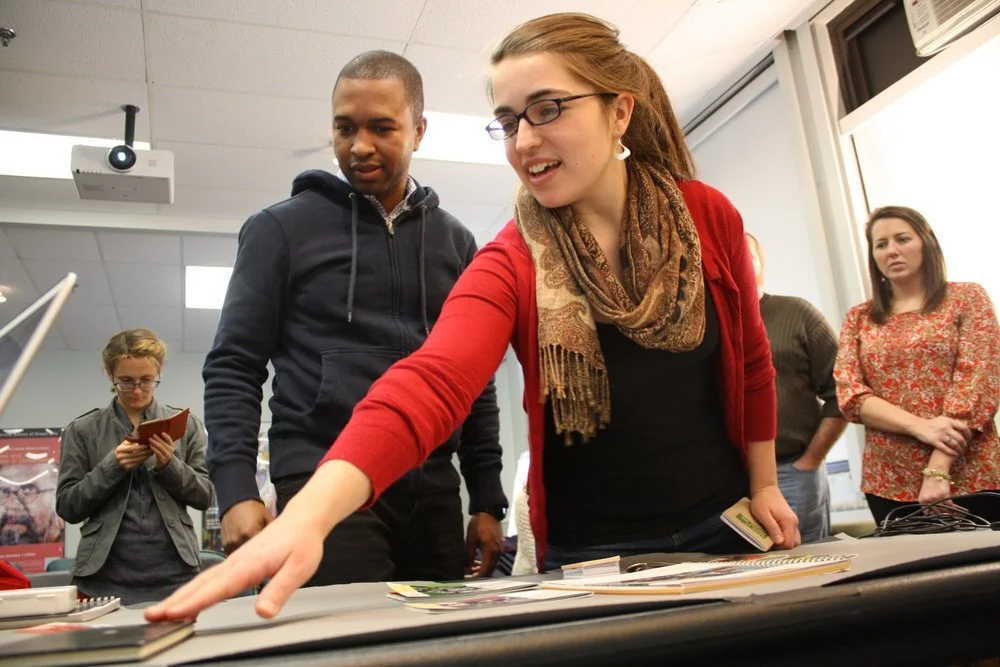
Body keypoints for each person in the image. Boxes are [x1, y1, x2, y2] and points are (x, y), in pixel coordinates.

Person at [147, 13, 799, 622]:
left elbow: (749, 359)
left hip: (726, 524)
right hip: (593, 554)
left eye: (547, 110)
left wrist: (766, 482)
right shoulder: (511, 257)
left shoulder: (707, 215)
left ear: (619, 110)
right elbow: (434, 381)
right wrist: (306, 515)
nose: (525, 140)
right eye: (509, 120)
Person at [202, 50, 506, 586]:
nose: (359, 146)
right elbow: (234, 366)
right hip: (322, 476)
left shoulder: (455, 242)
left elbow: (473, 381)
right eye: (345, 128)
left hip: (430, 486)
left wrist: (486, 499)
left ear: (419, 131)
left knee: (440, 643)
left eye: (381, 128)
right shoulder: (278, 230)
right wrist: (235, 491)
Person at [834, 206, 1000, 525]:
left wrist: (938, 469)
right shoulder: (859, 317)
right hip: (887, 482)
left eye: (902, 239)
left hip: (968, 475)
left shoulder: (967, 298)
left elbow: (976, 387)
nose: (892, 250)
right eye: (881, 244)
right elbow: (851, 396)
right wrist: (919, 425)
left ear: (927, 243)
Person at [56, 329, 211, 605]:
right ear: (110, 375)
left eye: (147, 381)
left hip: (177, 574)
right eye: (126, 382)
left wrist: (169, 465)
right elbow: (68, 507)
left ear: (158, 373)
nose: (137, 390)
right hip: (102, 577)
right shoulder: (82, 430)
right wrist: (112, 465)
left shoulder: (187, 426)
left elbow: (204, 496)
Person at [745, 233, 847, 542]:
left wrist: (810, 461)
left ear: (762, 265)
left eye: (745, 256)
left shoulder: (798, 314)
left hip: (792, 470)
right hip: (729, 482)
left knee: (807, 565)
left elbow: (843, 393)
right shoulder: (708, 329)